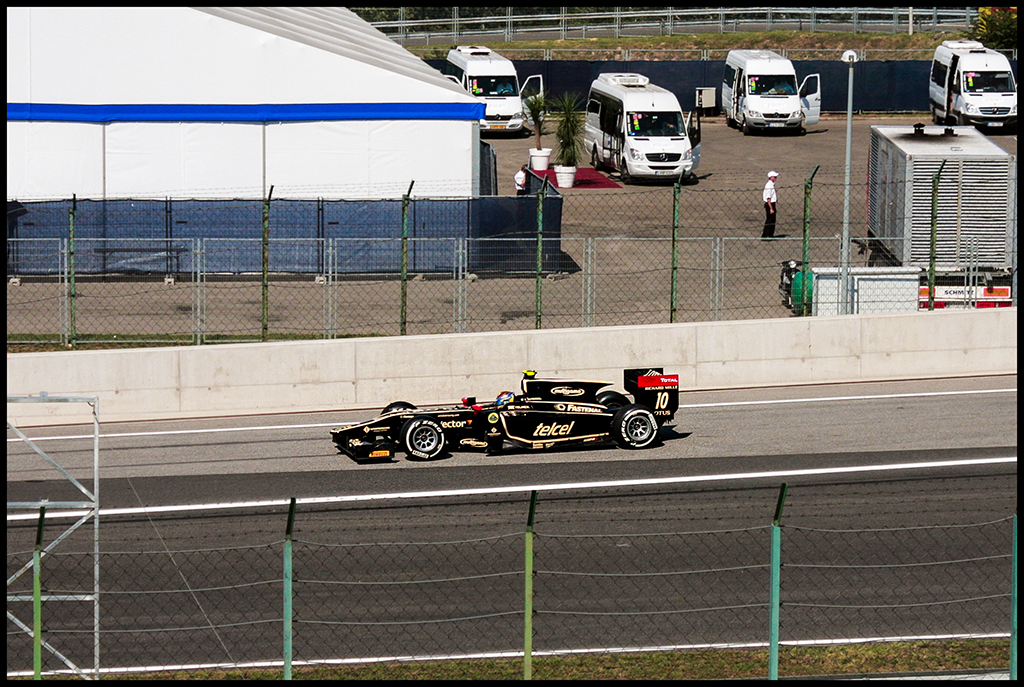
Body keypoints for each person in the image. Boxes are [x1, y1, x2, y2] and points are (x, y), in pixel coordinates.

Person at [762, 170, 778, 239]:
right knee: (769, 220)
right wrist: (771, 208)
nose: (776, 178)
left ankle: (771, 234)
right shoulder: (769, 185)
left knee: (773, 220)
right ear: (771, 177)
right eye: (775, 177)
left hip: (772, 203)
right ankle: (765, 235)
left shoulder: (772, 184)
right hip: (770, 204)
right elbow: (768, 198)